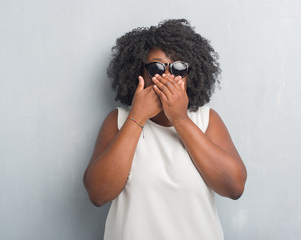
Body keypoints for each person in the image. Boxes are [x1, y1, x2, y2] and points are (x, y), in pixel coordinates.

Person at [83, 19, 247, 240]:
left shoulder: (206, 120)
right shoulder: (119, 120)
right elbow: (98, 194)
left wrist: (180, 118)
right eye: (156, 67)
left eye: (179, 68)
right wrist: (137, 117)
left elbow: (234, 187)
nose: (168, 77)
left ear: (191, 76)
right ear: (139, 73)